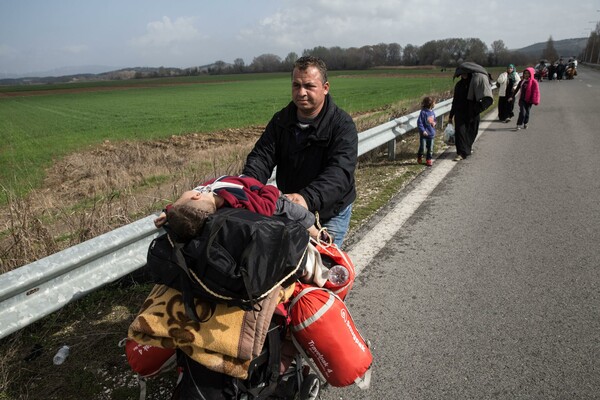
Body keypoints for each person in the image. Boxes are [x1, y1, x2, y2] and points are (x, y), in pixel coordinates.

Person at [242, 56, 358, 248]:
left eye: (309, 86)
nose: (301, 93)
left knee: (323, 267)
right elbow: (261, 157)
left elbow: (340, 172)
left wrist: (306, 198)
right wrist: (246, 186)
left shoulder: (342, 125)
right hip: (292, 207)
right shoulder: (281, 120)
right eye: (296, 85)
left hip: (329, 211)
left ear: (325, 88)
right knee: (289, 263)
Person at [153, 175, 322, 241]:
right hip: (268, 197)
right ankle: (318, 235)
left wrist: (168, 211)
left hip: (249, 185)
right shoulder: (237, 199)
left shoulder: (205, 197)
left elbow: (186, 209)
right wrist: (271, 190)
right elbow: (266, 208)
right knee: (295, 211)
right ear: (196, 196)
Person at [448, 62, 493, 161]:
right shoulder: (459, 85)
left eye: (465, 73)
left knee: (472, 132)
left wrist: (478, 108)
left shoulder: (475, 83)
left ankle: (467, 148)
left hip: (473, 112)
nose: (463, 75)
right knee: (460, 133)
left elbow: (483, 96)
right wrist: (451, 115)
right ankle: (461, 153)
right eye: (462, 74)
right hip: (460, 112)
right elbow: (455, 101)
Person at [416, 96, 437, 167]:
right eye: (434, 102)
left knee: (430, 148)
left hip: (431, 134)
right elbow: (419, 123)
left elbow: (434, 120)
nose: (435, 104)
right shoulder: (423, 112)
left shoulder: (432, 112)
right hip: (424, 135)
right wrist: (423, 131)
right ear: (430, 104)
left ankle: (429, 160)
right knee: (423, 148)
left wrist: (434, 123)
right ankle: (419, 156)